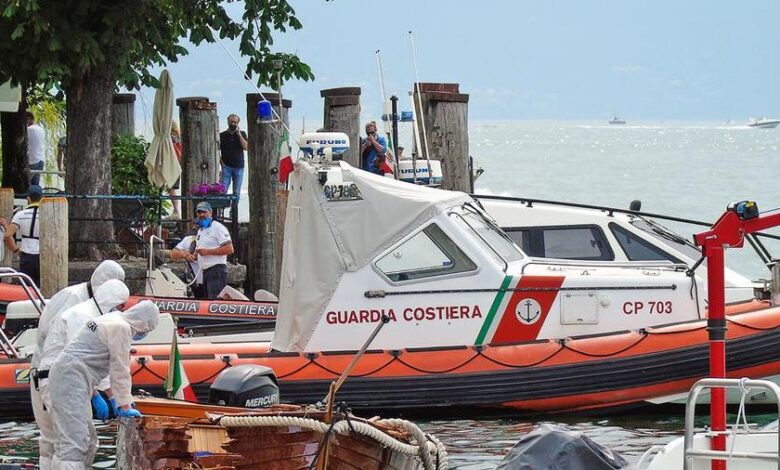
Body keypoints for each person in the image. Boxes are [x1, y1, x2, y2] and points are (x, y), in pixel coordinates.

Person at [30, 260, 125, 470]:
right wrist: (97, 394)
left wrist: (108, 393)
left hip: (55, 374)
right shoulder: (78, 304)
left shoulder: (89, 306)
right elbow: (74, 355)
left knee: (59, 441)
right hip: (54, 373)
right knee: (70, 442)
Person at [49, 301, 160, 470]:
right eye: (146, 330)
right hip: (71, 378)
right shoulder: (121, 328)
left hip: (71, 376)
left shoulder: (112, 318)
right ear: (144, 324)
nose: (142, 334)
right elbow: (120, 369)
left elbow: (94, 359)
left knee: (80, 439)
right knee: (75, 443)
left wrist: (112, 396)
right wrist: (124, 405)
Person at [38, 279, 130, 425]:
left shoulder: (90, 315)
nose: (119, 311)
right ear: (111, 301)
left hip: (65, 380)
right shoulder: (82, 317)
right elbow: (79, 358)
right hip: (59, 381)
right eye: (120, 306)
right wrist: (99, 394)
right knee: (75, 439)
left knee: (76, 438)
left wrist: (112, 396)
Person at [4, 185, 42, 286]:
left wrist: (16, 250)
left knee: (26, 287)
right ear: (42, 198)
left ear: (28, 199)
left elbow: (7, 235)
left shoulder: (20, 215)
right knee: (42, 287)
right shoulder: (46, 214)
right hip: (43, 255)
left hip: (26, 256)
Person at [194, 201, 234, 298]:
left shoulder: (218, 227)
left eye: (204, 212)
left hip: (216, 271)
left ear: (211, 213)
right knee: (208, 302)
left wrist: (207, 252)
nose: (202, 214)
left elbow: (229, 249)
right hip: (206, 272)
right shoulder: (200, 231)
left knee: (214, 304)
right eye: (199, 212)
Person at [171, 226, 205, 299]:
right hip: (194, 281)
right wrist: (185, 254)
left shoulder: (210, 238)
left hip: (210, 279)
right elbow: (173, 253)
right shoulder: (188, 239)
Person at [219, 114, 248, 196]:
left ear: (238, 123)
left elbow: (246, 147)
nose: (233, 124)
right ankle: (222, 208)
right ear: (228, 122)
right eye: (231, 122)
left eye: (235, 122)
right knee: (222, 191)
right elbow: (216, 150)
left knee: (236, 192)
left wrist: (239, 135)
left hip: (239, 167)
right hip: (226, 167)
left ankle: (235, 208)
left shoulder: (242, 133)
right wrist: (221, 162)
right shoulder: (222, 135)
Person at [167, 121, 184, 219]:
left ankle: (176, 210)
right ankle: (176, 210)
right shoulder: (179, 138)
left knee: (171, 187)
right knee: (171, 188)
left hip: (173, 163)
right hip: (177, 163)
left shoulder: (171, 138)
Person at [27, 112, 45, 186]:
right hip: (41, 160)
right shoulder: (41, 129)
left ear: (30, 119)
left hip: (32, 160)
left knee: (27, 185)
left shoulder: (28, 129)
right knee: (35, 185)